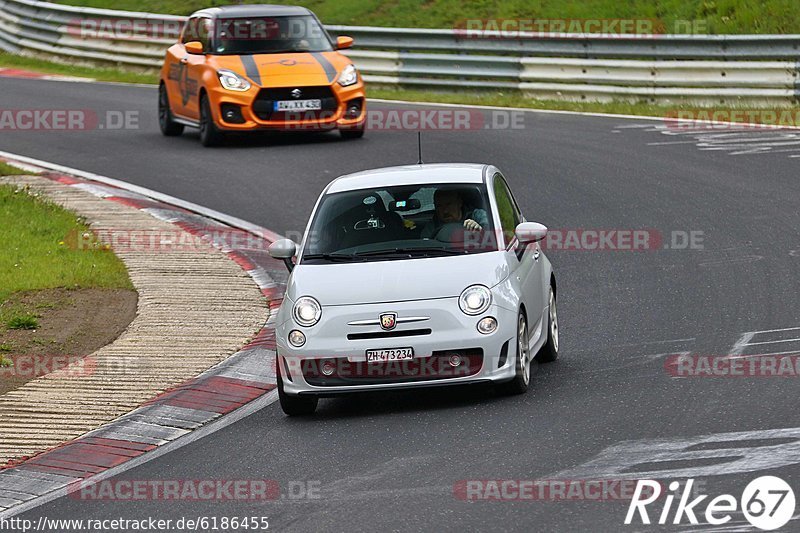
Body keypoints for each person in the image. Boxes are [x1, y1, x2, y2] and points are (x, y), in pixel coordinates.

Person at [421, 188, 489, 239]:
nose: (445, 211)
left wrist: (479, 230)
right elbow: (424, 244)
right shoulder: (432, 226)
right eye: (439, 206)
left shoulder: (478, 216)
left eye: (449, 204)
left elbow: (494, 235)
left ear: (459, 203)